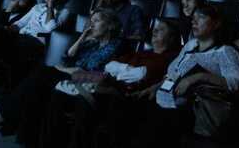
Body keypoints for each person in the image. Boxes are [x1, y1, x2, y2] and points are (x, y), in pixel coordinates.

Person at [0, 10, 123, 146]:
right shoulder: (91, 43)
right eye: (91, 21)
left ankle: (6, 117)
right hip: (74, 74)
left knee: (44, 73)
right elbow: (67, 57)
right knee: (40, 81)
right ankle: (17, 126)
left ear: (110, 25)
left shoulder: (115, 45)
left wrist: (63, 68)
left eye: (96, 21)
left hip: (92, 80)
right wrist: (82, 37)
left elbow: (90, 67)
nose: (91, 25)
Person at [41, 19, 183, 147]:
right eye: (156, 28)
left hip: (118, 92)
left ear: (171, 38)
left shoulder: (167, 59)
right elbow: (110, 65)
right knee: (51, 79)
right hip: (101, 79)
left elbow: (139, 75)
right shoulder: (140, 53)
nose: (155, 31)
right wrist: (124, 70)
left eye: (161, 29)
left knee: (60, 80)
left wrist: (121, 70)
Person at [129, 5, 239, 146]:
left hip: (194, 109)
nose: (194, 22)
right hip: (170, 99)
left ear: (216, 23)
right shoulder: (190, 45)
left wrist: (198, 77)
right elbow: (173, 74)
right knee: (129, 105)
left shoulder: (225, 51)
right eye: (193, 18)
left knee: (153, 121)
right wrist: (154, 88)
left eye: (201, 17)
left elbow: (237, 82)